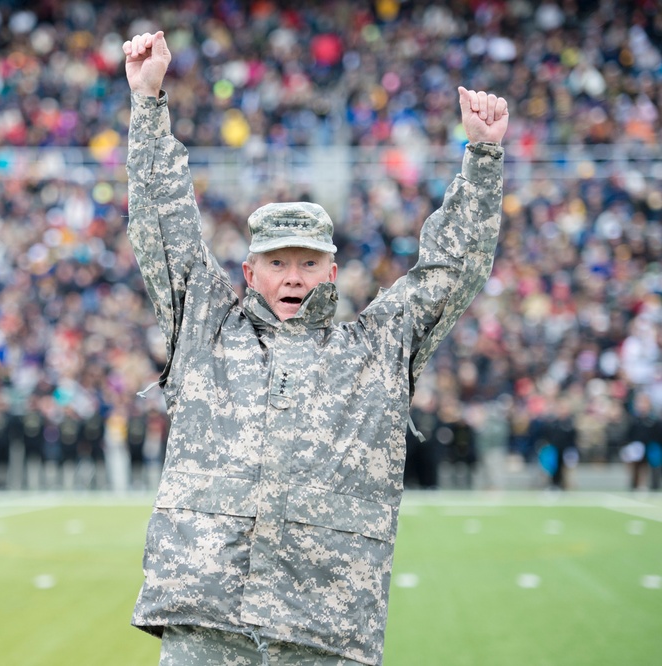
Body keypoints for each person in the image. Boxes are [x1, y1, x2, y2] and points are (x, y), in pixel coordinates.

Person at [122, 30, 508, 666]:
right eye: (277, 263)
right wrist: (148, 102)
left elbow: (449, 272)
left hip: (322, 632)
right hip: (204, 624)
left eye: (308, 262)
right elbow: (163, 226)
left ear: (332, 272)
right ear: (250, 272)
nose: (293, 277)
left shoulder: (376, 348)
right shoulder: (206, 328)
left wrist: (483, 160)